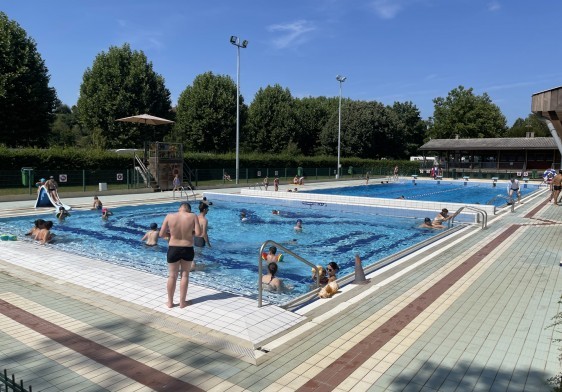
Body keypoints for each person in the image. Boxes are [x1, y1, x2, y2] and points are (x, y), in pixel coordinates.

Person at [159, 201, 201, 308]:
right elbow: (199, 233)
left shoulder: (169, 216)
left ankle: (170, 302)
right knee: (185, 274)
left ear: (180, 208)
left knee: (172, 276)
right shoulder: (193, 216)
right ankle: (182, 303)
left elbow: (161, 234)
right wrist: (189, 234)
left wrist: (172, 234)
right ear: (189, 210)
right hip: (188, 248)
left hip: (173, 248)